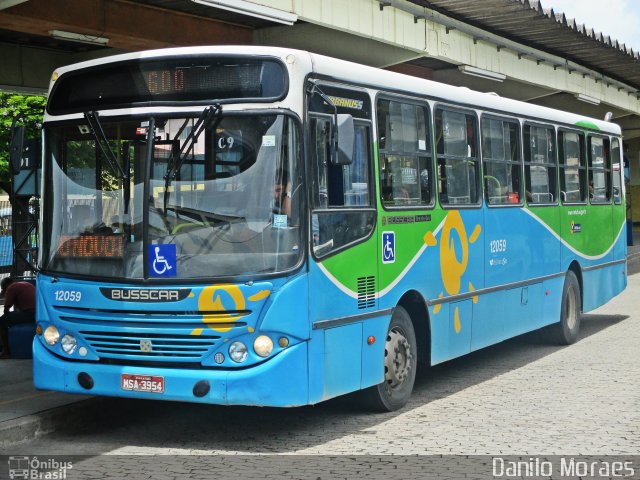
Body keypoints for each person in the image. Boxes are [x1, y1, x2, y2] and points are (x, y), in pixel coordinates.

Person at [0, 277, 36, 358]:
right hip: (37, 314)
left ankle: (6, 351)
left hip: (29, 314)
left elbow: (6, 310)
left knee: (2, 321)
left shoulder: (11, 287)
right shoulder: (26, 284)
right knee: (9, 318)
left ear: (6, 285)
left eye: (3, 288)